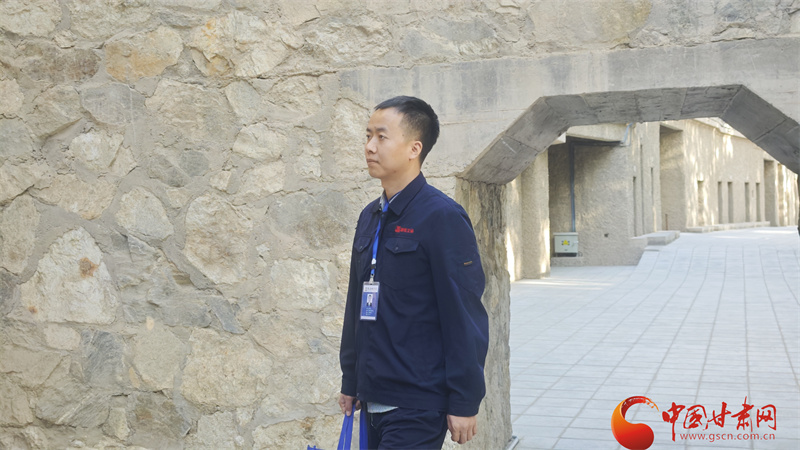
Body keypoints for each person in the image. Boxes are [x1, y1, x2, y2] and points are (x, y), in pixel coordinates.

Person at [338, 96, 489, 449]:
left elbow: (463, 315)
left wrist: (464, 400)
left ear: (414, 148)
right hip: (372, 397)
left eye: (381, 137)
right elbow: (355, 304)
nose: (369, 146)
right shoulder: (370, 216)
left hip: (417, 405)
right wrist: (351, 379)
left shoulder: (442, 216)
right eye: (367, 136)